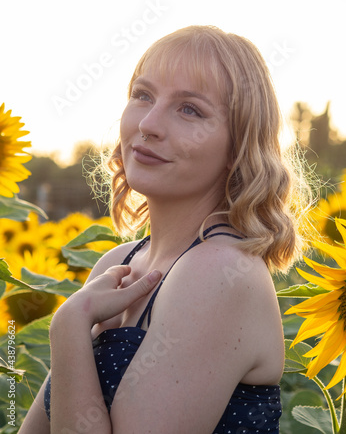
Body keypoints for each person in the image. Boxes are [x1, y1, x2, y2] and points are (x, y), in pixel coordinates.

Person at [20, 25, 310, 433]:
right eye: (143, 95)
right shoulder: (118, 263)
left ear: (237, 147)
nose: (149, 124)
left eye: (189, 109)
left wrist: (69, 328)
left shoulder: (220, 273)